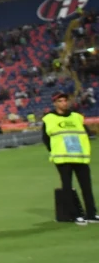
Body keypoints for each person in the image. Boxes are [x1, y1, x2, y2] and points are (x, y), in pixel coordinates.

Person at [42, 91, 96, 224]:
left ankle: (91, 214)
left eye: (65, 100)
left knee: (87, 186)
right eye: (60, 101)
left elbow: (86, 133)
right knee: (67, 187)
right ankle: (74, 214)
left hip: (80, 157)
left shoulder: (77, 117)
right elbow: (46, 138)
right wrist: (54, 151)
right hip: (62, 158)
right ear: (55, 103)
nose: (64, 103)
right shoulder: (49, 118)